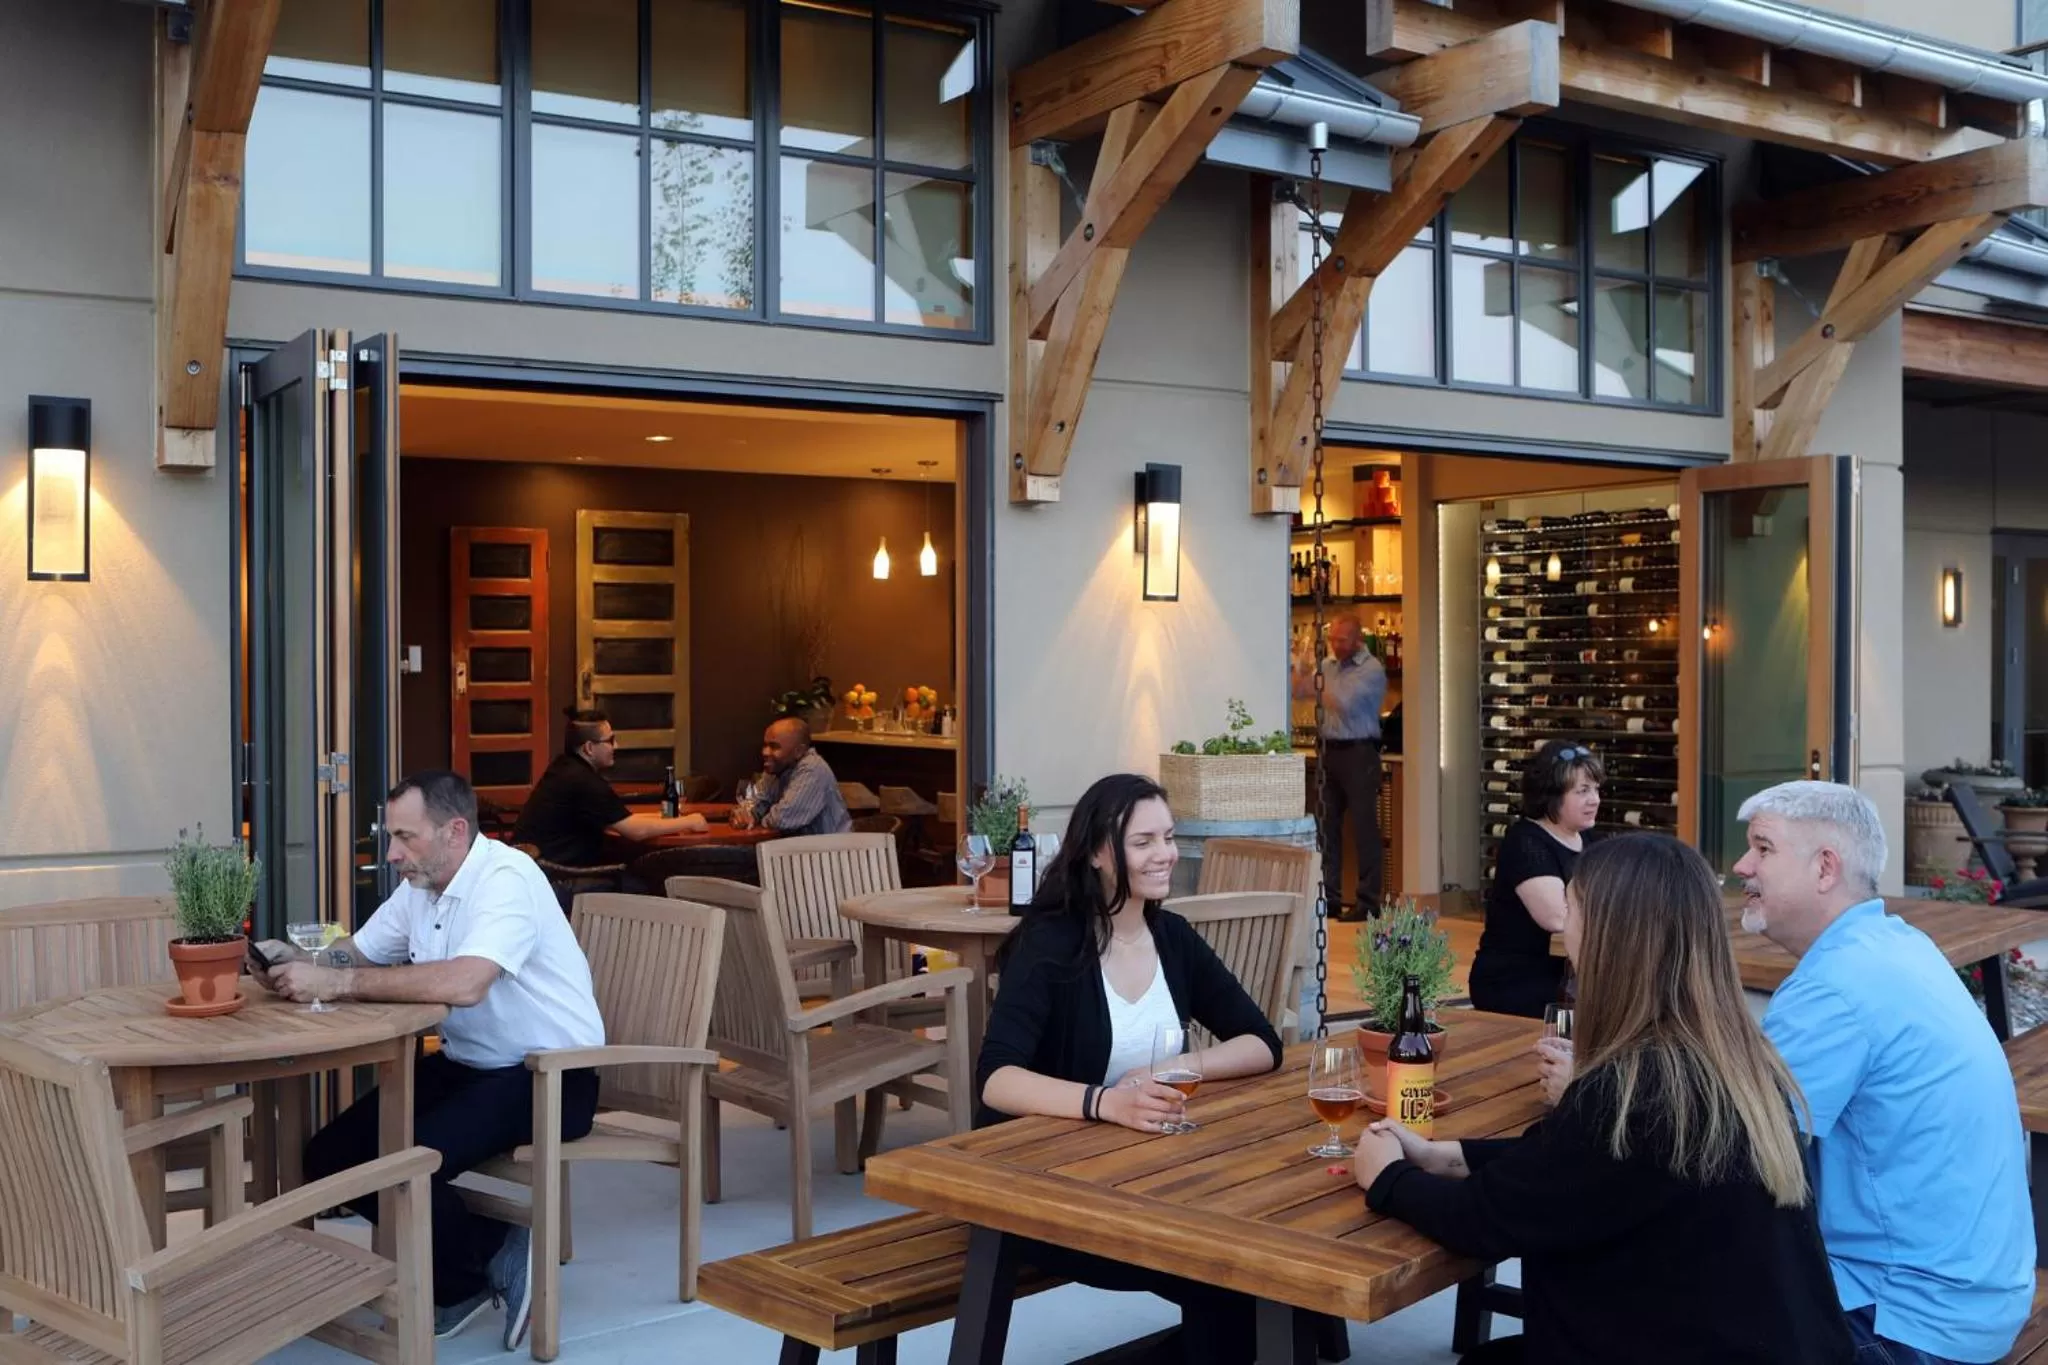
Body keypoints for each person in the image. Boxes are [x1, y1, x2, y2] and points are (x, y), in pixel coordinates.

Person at [1354, 834, 1855, 1365]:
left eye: (1572, 910)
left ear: (1607, 936)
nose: (1563, 926)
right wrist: (1446, 1155)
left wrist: (1387, 1178)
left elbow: (1483, 1221)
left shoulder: (1633, 1091)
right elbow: (1573, 1165)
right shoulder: (1735, 1064)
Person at [253, 770, 607, 1351]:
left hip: (548, 1075)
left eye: (405, 837)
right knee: (330, 1156)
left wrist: (337, 986)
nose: (392, 854)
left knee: (401, 1164)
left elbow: (467, 983)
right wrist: (298, 959)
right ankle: (497, 1245)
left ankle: (468, 1274)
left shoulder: (507, 879)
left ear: (455, 831)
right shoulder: (422, 885)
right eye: (390, 837)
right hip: (470, 1064)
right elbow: (358, 953)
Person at [976, 773, 1284, 1365]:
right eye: (1143, 841)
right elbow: (995, 1078)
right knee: (1235, 1279)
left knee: (1278, 1270)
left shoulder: (1171, 937)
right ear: (1097, 853)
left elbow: (1261, 1042)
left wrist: (1178, 1065)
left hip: (1156, 1180)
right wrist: (1104, 1101)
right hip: (1052, 1193)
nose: (1165, 853)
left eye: (1167, 837)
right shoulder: (1052, 943)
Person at [1735, 781, 2034, 1364]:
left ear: (1825, 868)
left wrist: (1596, 1093)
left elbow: (1728, 1143)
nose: (1742, 865)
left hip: (1905, 1321)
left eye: (1763, 848)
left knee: (1639, 1300)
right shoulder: (1898, 945)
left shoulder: (1836, 984)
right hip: (1976, 1299)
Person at [1467, 739, 1601, 1018]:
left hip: (1566, 974)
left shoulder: (1586, 837)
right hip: (1518, 980)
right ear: (1551, 796)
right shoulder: (1526, 844)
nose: (1595, 800)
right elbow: (1556, 920)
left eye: (1596, 789)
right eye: (1583, 791)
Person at [513, 707, 706, 867]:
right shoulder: (584, 782)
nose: (617, 746)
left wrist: (662, 817)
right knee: (652, 880)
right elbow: (636, 831)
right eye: (610, 741)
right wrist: (690, 822)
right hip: (563, 880)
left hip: (538, 874)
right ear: (589, 748)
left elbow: (622, 820)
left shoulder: (565, 769)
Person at [1290, 614, 1388, 922]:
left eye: (1341, 640)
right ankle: (1330, 897)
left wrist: (1312, 686)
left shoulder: (1371, 670)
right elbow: (1298, 690)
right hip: (1329, 750)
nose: (1335, 645)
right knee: (1326, 827)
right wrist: (1301, 668)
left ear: (1357, 639)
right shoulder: (1329, 667)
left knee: (1364, 829)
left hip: (1359, 752)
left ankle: (1369, 900)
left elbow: (1343, 702)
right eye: (1332, 639)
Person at [730, 716, 851, 836]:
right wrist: (747, 814)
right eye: (765, 745)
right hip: (796, 850)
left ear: (798, 751)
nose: (765, 752)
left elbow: (782, 819)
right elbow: (757, 801)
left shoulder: (812, 769)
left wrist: (757, 820)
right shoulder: (777, 768)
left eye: (774, 747)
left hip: (829, 852)